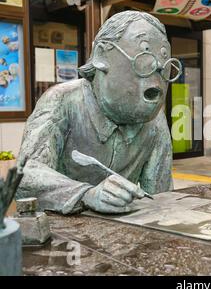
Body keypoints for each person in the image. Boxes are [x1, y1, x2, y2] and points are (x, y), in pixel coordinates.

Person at [17, 11, 182, 215]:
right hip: (64, 232)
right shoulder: (63, 101)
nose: (158, 66)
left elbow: (160, 197)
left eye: (164, 59)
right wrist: (87, 194)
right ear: (102, 56)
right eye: (145, 54)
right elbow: (25, 175)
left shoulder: (155, 122)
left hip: (123, 232)